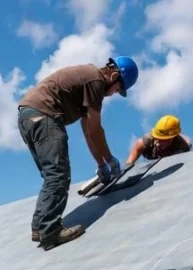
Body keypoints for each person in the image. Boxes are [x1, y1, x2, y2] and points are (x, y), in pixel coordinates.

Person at [17, 56, 138, 250]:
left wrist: (100, 164)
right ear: (114, 76)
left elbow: (88, 130)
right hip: (44, 115)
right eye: (118, 88)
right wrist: (110, 160)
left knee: (52, 175)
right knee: (58, 174)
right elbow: (95, 129)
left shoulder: (87, 83)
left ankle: (40, 228)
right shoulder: (96, 81)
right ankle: (50, 232)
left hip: (29, 117)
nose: (114, 93)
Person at [126, 115, 192, 166]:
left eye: (164, 140)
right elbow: (133, 155)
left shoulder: (183, 146)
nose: (159, 143)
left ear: (173, 138)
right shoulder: (147, 140)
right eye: (158, 138)